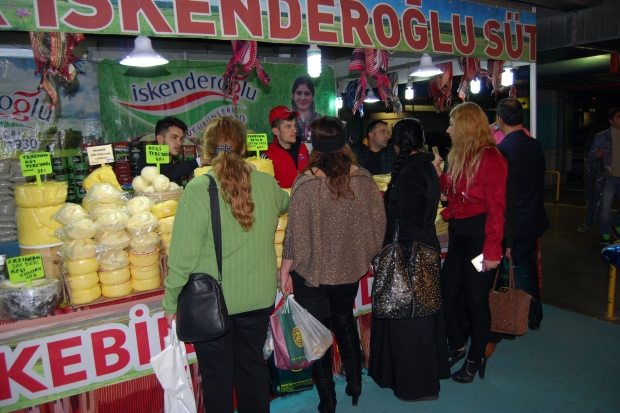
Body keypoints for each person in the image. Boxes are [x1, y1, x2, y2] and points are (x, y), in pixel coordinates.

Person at [162, 116, 290, 413]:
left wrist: (171, 301)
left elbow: (181, 258)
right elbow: (286, 203)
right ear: (243, 148)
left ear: (205, 152)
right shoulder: (266, 183)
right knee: (253, 370)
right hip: (258, 298)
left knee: (217, 379)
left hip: (213, 302)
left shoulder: (198, 189)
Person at [279, 116, 386, 413]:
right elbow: (379, 225)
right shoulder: (364, 179)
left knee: (318, 335)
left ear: (314, 144)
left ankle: (327, 399)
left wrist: (285, 270)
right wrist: (364, 257)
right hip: (349, 270)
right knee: (344, 320)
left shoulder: (305, 182)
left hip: (310, 271)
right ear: (344, 141)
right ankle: (355, 383)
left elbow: (294, 234)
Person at [368, 118, 451, 401]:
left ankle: (415, 385)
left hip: (410, 255)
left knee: (410, 318)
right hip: (423, 248)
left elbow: (411, 222)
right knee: (420, 314)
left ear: (397, 143)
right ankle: (415, 379)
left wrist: (395, 251)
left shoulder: (412, 172)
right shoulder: (425, 166)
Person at [434, 102, 507, 384]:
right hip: (459, 236)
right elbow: (453, 194)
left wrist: (493, 251)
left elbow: (497, 210)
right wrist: (441, 175)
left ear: (465, 126)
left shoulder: (491, 159)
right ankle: (458, 345)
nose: (448, 130)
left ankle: (476, 357)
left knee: (476, 299)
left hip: (480, 239)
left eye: (452, 124)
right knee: (447, 293)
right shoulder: (459, 156)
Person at [496, 98, 550, 330]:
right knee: (528, 269)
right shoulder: (535, 145)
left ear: (499, 120)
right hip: (533, 217)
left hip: (515, 222)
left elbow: (502, 194)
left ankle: (519, 316)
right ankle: (533, 315)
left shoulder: (503, 150)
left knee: (514, 272)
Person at [137, 116, 204, 185]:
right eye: (174, 137)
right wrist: (199, 161)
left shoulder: (174, 160)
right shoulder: (147, 156)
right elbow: (165, 173)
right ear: (160, 139)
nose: (179, 143)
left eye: (181, 139)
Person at [588, 107, 620, 245]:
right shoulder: (602, 136)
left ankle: (615, 223)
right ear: (611, 121)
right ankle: (605, 233)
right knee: (605, 207)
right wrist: (597, 155)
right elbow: (591, 154)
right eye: (619, 116)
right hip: (609, 177)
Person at [264, 106, 309, 188]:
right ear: (276, 131)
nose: (294, 130)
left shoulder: (303, 148)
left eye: (294, 125)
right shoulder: (267, 155)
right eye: (288, 126)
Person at [291, 76, 322, 144]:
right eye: (299, 93)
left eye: (307, 94)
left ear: (312, 96)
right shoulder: (287, 120)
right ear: (293, 95)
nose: (302, 98)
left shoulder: (320, 120)